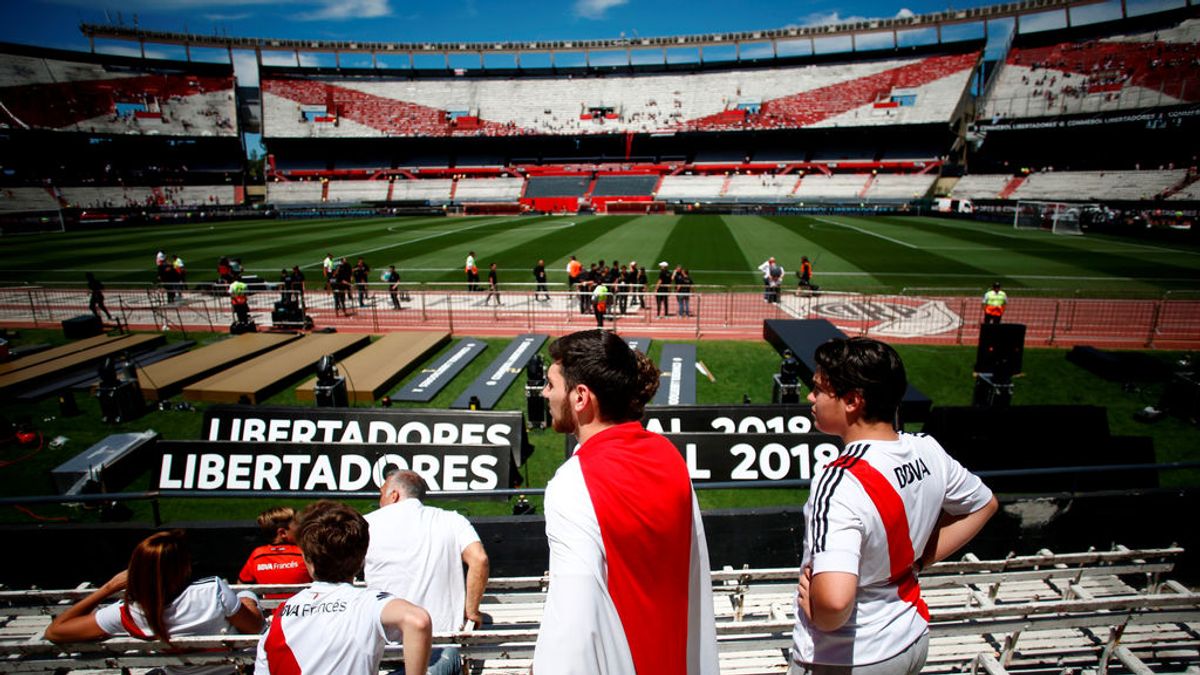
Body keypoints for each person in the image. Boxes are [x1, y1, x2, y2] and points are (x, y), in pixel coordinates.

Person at [792, 337, 997, 673]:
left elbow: (834, 602)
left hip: (845, 657)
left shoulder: (840, 481)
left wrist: (822, 615)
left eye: (818, 389)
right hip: (911, 638)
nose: (810, 397)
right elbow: (984, 505)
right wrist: (913, 561)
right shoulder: (927, 449)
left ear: (852, 400)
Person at [534, 330, 719, 674]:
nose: (545, 393)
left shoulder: (573, 482)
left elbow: (572, 623)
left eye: (550, 384)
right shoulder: (669, 456)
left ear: (580, 397)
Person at [43, 529, 264, 674]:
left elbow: (55, 632)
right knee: (248, 596)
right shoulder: (212, 590)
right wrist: (248, 598)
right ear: (183, 566)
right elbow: (255, 628)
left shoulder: (130, 612)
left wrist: (107, 588)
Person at [255, 501, 432, 675]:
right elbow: (417, 621)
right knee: (447, 657)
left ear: (307, 559)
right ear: (362, 559)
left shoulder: (280, 616)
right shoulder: (367, 603)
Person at [365, 470, 490, 675]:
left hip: (383, 645)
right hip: (440, 645)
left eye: (382, 493)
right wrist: (472, 611)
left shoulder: (367, 523)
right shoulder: (452, 520)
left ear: (394, 495)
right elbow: (479, 559)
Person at [238, 506, 312, 599]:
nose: (302, 529)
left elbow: (241, 587)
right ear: (282, 533)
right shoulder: (304, 552)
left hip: (271, 612)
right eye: (298, 525)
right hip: (304, 611)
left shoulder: (257, 555)